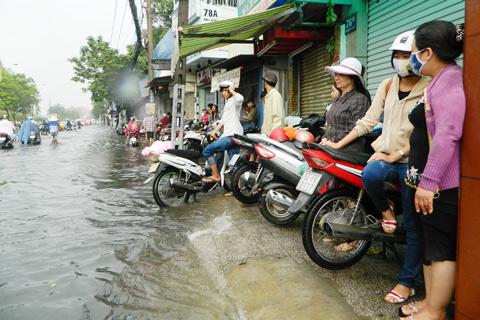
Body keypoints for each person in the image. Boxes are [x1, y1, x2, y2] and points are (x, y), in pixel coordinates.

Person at [322, 31, 430, 305]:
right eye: (397, 56)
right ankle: (386, 211)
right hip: (383, 156)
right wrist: (339, 145)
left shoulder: (430, 86)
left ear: (419, 57)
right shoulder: (386, 85)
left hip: (412, 161)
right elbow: (367, 122)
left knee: (414, 226)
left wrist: (398, 154)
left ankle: (406, 282)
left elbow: (430, 131)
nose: (400, 61)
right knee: (368, 175)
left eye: (406, 56)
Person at [398, 21, 465, 320]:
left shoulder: (450, 80)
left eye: (412, 52)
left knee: (439, 249)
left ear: (428, 52)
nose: (409, 59)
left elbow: (448, 132)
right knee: (428, 245)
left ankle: (436, 311)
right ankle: (428, 303)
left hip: (439, 185)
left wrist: (429, 182)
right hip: (425, 183)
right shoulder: (438, 80)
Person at [320, 57, 370, 152]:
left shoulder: (359, 99)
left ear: (352, 78)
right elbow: (331, 126)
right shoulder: (337, 99)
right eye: (336, 74)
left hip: (348, 150)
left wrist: (332, 141)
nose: (336, 78)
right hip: (330, 147)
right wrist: (325, 138)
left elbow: (354, 128)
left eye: (341, 75)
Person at [202, 80, 243, 183]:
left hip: (231, 136)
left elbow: (240, 98)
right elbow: (223, 121)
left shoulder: (235, 101)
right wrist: (214, 132)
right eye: (222, 91)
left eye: (226, 90)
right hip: (232, 136)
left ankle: (216, 175)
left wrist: (232, 90)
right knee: (234, 164)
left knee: (207, 151)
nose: (224, 93)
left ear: (230, 90)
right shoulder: (228, 103)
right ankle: (237, 190)